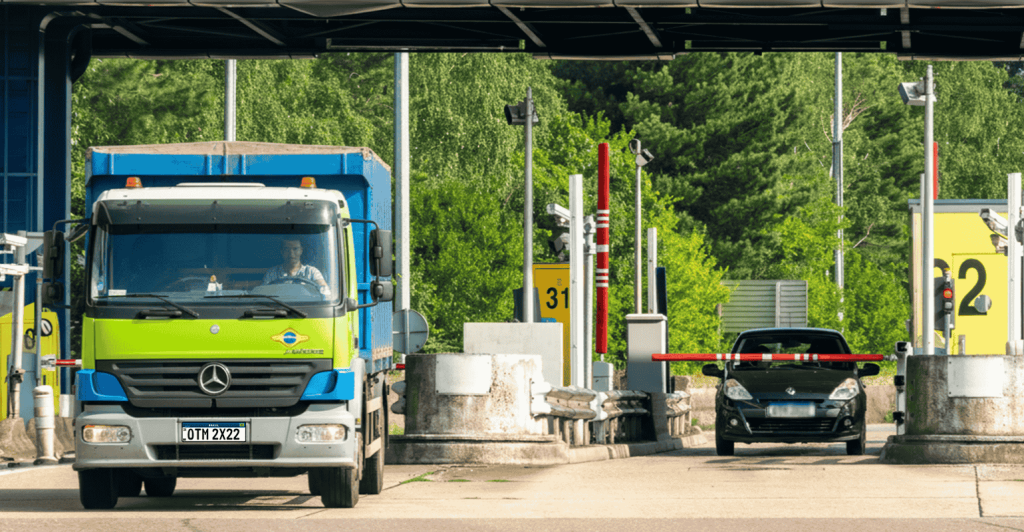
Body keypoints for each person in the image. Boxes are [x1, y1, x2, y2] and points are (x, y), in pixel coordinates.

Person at [262, 239, 331, 297]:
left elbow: (326, 293)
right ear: (282, 252)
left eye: (295, 249)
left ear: (301, 250)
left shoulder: (312, 272)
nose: (291, 254)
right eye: (286, 249)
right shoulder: (272, 273)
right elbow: (263, 295)